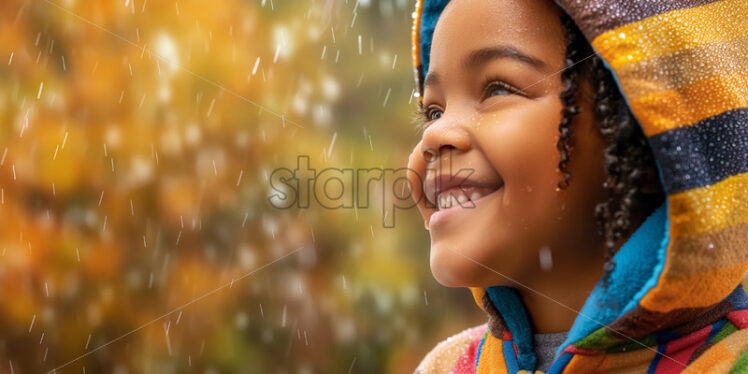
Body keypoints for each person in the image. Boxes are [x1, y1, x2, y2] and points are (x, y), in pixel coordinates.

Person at [405, 0, 748, 372]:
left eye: (498, 89)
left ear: (644, 138)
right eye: (433, 111)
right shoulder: (446, 367)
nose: (435, 133)